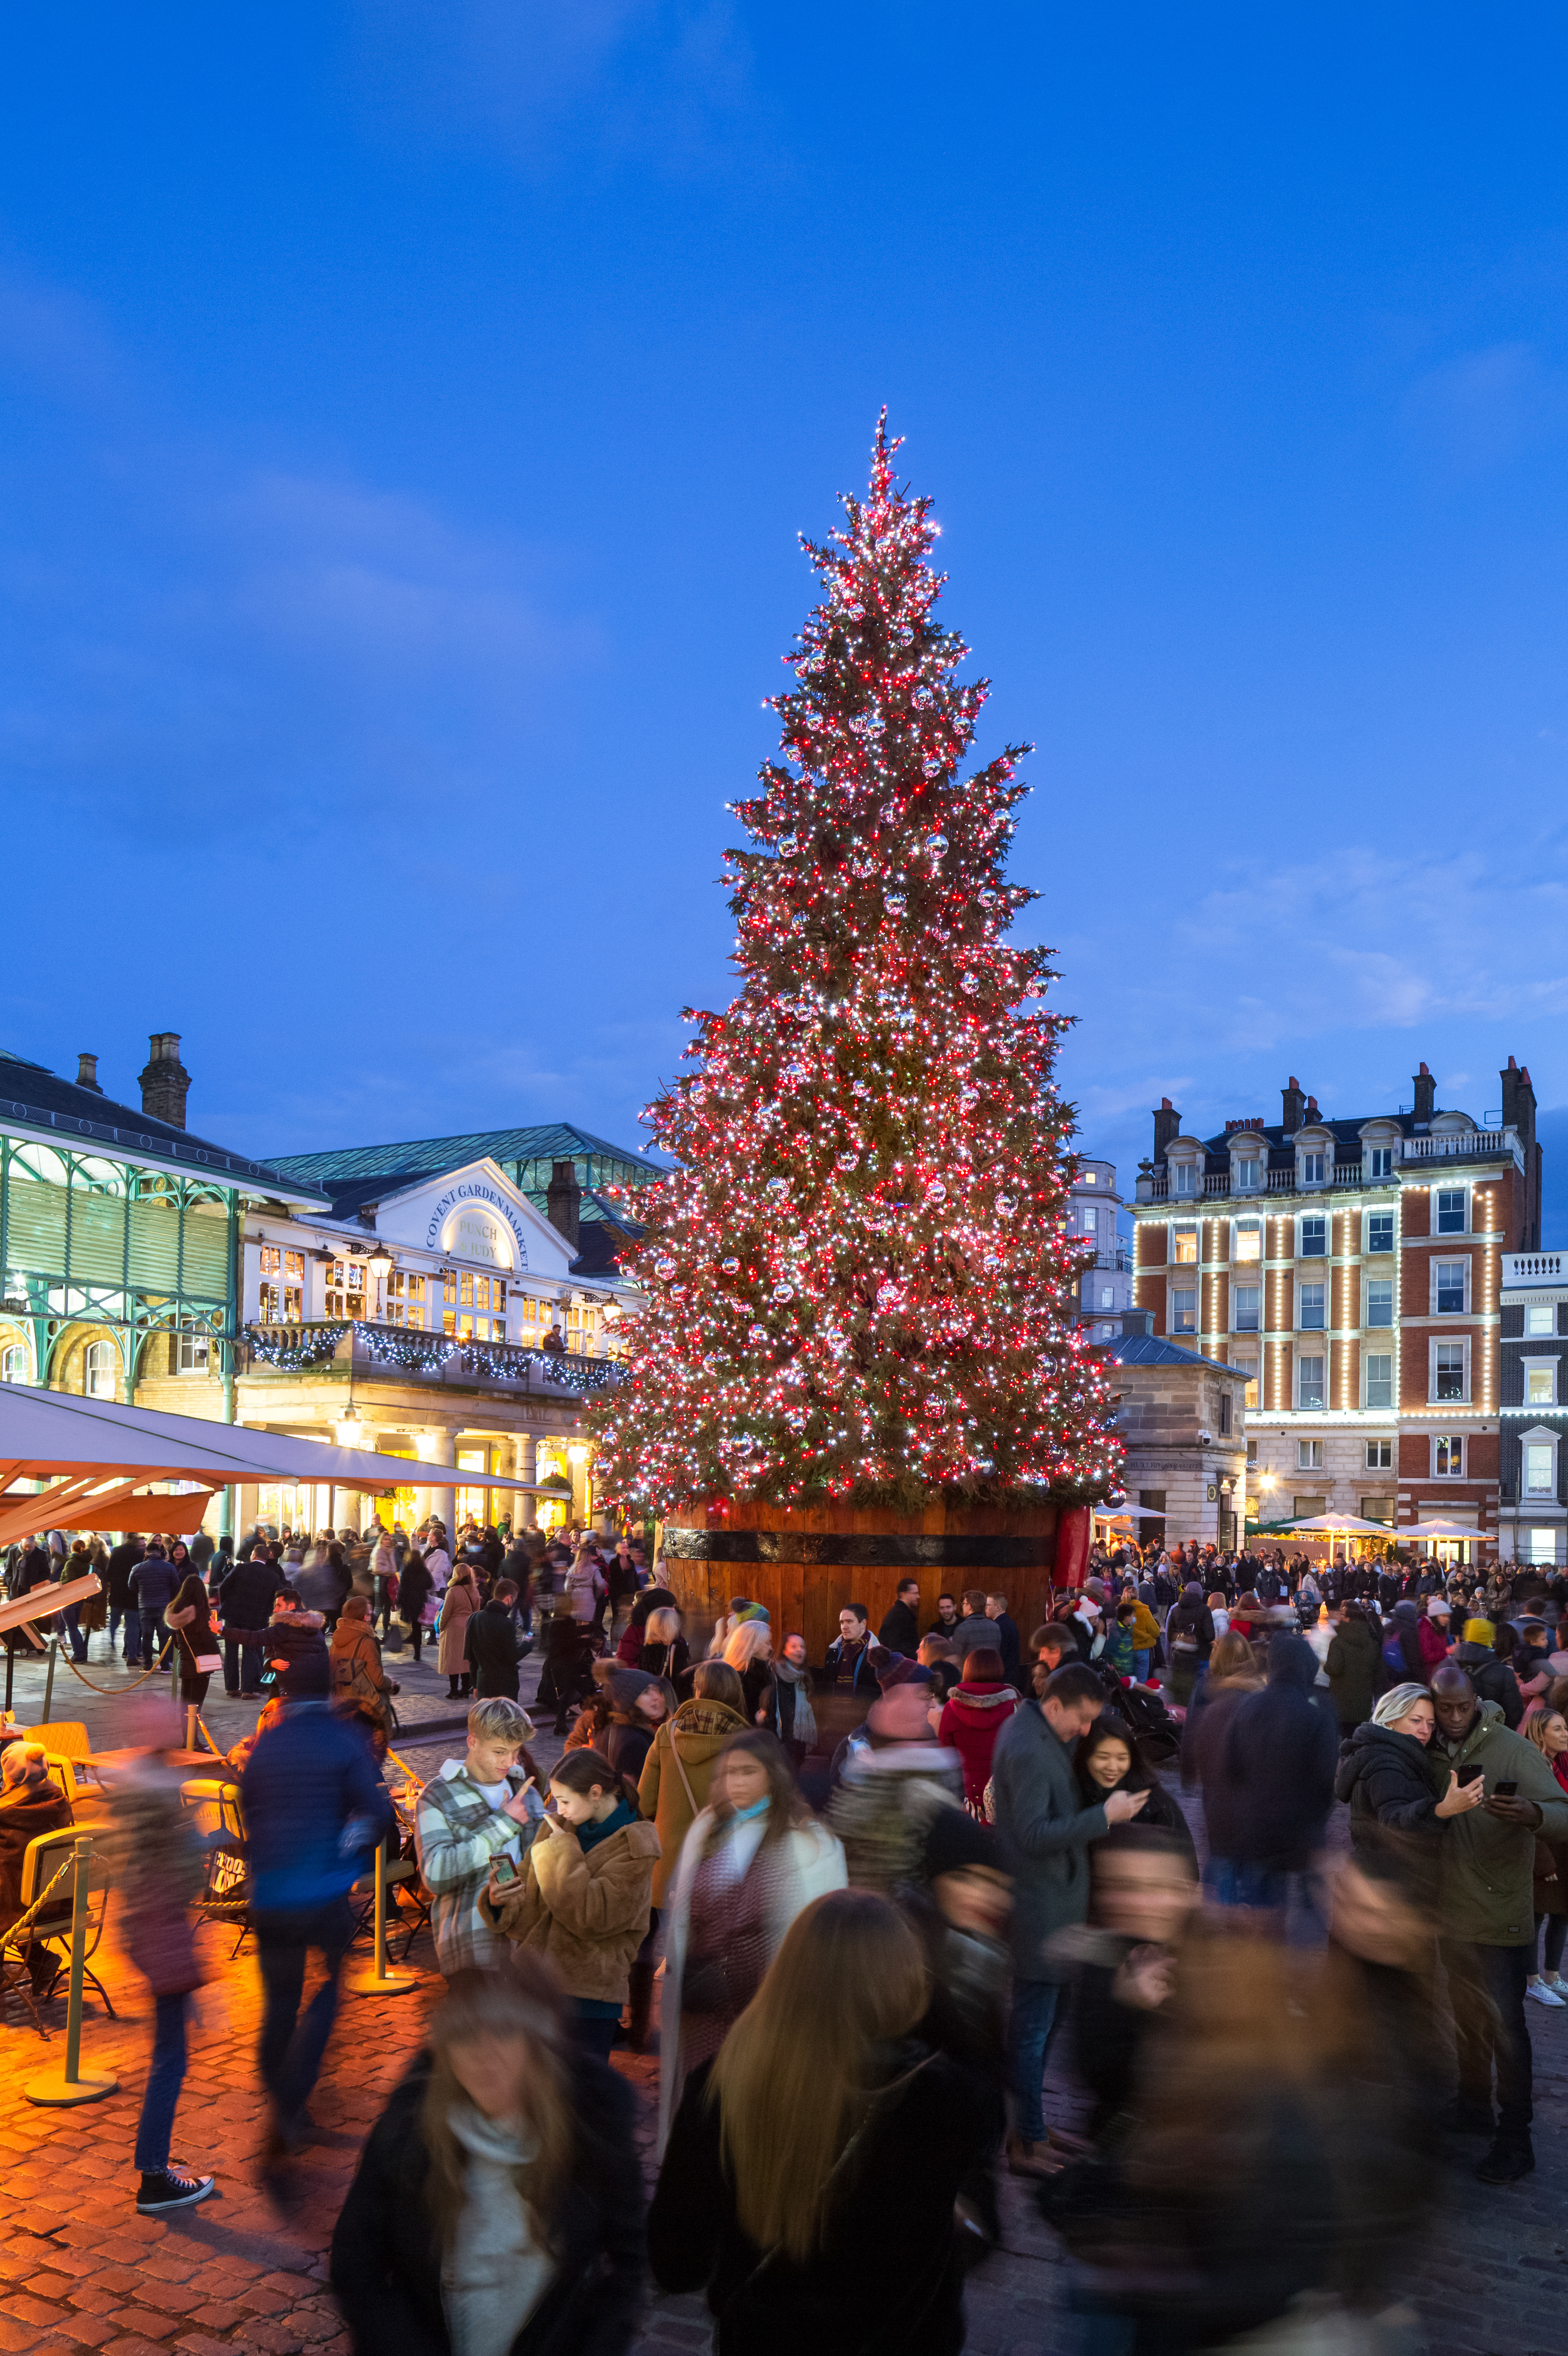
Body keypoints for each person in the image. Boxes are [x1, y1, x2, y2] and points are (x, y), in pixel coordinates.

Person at [649, 1889, 995, 2356]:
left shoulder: (723, 2084)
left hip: (762, 2340)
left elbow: (676, 2263)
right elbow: (970, 2238)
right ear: (906, 1976)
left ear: (788, 1972)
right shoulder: (946, 2099)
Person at [331, 1956, 645, 2356]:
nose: (484, 2053)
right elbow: (356, 2261)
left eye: (503, 2031)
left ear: (535, 2044)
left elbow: (629, 2262)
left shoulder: (593, 2132)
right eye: (464, 2036)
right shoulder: (409, 2131)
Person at [989, 1661, 1148, 2177]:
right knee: (1033, 2032)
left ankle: (1032, 2128)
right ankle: (1025, 2141)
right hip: (1040, 1908)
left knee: (1043, 2025)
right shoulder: (1030, 1747)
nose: (1084, 1731)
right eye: (1080, 1719)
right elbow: (1035, 1834)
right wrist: (1107, 1815)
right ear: (1054, 1704)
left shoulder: (1037, 1728)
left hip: (1054, 1904)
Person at [658, 1729, 846, 2154]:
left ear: (773, 1775)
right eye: (727, 1772)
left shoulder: (809, 1844)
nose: (735, 1782)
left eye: (748, 1771)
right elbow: (684, 1918)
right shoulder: (707, 1829)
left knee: (754, 2123)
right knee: (702, 2116)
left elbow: (816, 1940)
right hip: (701, 2010)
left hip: (764, 2013)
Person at [239, 1654, 394, 2162]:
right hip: (322, 1889)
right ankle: (293, 2090)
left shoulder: (270, 1743)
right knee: (328, 1988)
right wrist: (348, 1849)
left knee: (279, 2000)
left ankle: (279, 2094)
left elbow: (249, 1807)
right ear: (329, 1691)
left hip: (272, 1892)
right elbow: (375, 1812)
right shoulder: (342, 1738)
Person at [1427, 1660, 1568, 2182]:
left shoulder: (1511, 1747)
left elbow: (1563, 1810)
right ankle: (1471, 2106)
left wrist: (1533, 1814)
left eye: (1464, 1706)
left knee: (1507, 2030)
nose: (1457, 1716)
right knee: (1466, 2019)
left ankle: (1515, 2137)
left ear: (1476, 1703)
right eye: (1446, 1708)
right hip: (1451, 1913)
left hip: (1501, 1914)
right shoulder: (1431, 1747)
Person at [481, 1748, 660, 2059]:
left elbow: (593, 1915)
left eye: (565, 1800)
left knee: (579, 2098)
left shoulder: (635, 1846)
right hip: (536, 1985)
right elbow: (527, 1896)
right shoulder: (558, 1827)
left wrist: (562, 1851)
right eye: (556, 1800)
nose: (559, 1810)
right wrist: (500, 1900)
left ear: (595, 1793)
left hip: (589, 1998)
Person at [103, 1737, 214, 2213]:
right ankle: (154, 2176)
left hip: (147, 1939)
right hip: (166, 1945)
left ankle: (155, 2160)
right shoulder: (167, 1824)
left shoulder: (131, 1812)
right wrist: (197, 1832)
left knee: (168, 2055)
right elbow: (189, 1879)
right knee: (170, 2061)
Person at [1194, 1632, 1337, 1920]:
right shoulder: (1316, 1717)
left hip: (1254, 1831)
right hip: (1299, 1835)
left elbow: (1230, 1766)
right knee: (1306, 1915)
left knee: (1261, 1916)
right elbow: (1324, 1784)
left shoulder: (1248, 1707)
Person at [415, 1699, 547, 1977]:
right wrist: (502, 1824)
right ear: (472, 1742)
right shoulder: (438, 1795)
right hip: (471, 1949)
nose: (510, 1761)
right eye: (499, 1751)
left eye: (516, 1751)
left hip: (527, 1949)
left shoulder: (525, 1790)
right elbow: (435, 1875)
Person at [1334, 1682, 1486, 1860]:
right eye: (1416, 1721)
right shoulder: (1385, 1762)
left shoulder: (1393, 1753)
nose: (1425, 1731)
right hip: (1391, 1877)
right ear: (1391, 1719)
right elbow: (1393, 1822)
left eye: (1431, 1724)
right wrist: (1442, 1809)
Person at [638, 1661, 750, 1900]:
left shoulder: (666, 1734)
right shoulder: (746, 1742)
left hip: (669, 1868)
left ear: (697, 1690)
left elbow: (644, 1804)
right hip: (722, 1867)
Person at [1076, 1712, 1197, 1864]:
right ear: (1085, 1757)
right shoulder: (1072, 1795)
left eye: (1122, 1758)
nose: (1113, 1767)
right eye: (1103, 1757)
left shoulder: (1156, 1805)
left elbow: (1186, 1865)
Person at [937, 1645, 1019, 1812]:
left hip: (968, 1800)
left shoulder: (951, 1709)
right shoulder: (1014, 1707)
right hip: (1006, 1796)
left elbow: (945, 1756)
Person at [1523, 1705, 1568, 2006]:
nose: (1565, 1734)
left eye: (1565, 1728)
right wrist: (1542, 1860)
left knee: (1563, 1914)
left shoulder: (1562, 1762)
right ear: (1540, 1733)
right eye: (1557, 1729)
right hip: (1545, 1852)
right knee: (1536, 1916)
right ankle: (1531, 1980)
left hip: (1564, 1849)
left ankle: (1552, 1975)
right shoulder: (1531, 1766)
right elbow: (1526, 1816)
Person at [329, 1596, 399, 1750]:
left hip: (341, 1704)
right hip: (364, 1708)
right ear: (364, 1617)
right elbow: (378, 1681)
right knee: (369, 1754)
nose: (372, 1615)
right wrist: (391, 1684)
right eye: (370, 1612)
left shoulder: (336, 1639)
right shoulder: (366, 1642)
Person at [216, 1543, 280, 1698]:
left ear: (254, 1555)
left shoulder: (240, 1569)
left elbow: (223, 1588)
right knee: (250, 1651)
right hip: (256, 1619)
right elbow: (274, 1599)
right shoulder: (273, 1576)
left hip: (234, 1615)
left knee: (231, 1652)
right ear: (268, 1557)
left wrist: (228, 1604)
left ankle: (232, 1688)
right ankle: (248, 1689)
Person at [1452, 1615, 1525, 1729]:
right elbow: (1514, 1714)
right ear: (1490, 1637)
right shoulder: (1504, 1673)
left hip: (1456, 1731)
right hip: (1491, 1734)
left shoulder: (1447, 1665)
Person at [165, 1573, 220, 1720]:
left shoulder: (175, 1611)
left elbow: (176, 1643)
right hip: (200, 1664)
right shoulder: (201, 1611)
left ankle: (187, 1742)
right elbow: (207, 1638)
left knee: (186, 1706)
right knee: (196, 1707)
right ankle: (193, 1743)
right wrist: (217, 1651)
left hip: (184, 1663)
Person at [1325, 1598, 1381, 1736]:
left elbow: (1334, 1668)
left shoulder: (1338, 1642)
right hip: (1364, 1704)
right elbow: (1378, 1672)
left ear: (1348, 1619)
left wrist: (1326, 1666)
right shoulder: (1372, 1641)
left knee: (1343, 1740)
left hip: (1341, 1704)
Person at [466, 1579, 524, 1700]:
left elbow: (472, 1657)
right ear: (509, 1598)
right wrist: (527, 1645)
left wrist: (475, 1684)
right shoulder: (506, 1623)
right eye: (515, 1599)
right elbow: (512, 1657)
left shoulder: (475, 1618)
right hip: (505, 1685)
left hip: (484, 1683)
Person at [128, 1541, 180, 1669]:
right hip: (163, 1606)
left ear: (146, 1553)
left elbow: (131, 1586)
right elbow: (176, 1585)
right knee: (164, 1636)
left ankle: (147, 1664)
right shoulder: (169, 1567)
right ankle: (164, 1665)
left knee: (147, 1636)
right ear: (160, 1553)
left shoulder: (137, 1568)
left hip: (145, 1606)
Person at [437, 1563, 480, 1701]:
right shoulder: (475, 1591)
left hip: (454, 1628)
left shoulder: (453, 1591)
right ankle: (465, 1690)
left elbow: (446, 1613)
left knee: (453, 1661)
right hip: (469, 1626)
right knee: (466, 1660)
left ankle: (454, 1691)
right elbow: (477, 1612)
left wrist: (441, 1626)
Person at [722, 1618, 775, 1724]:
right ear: (753, 1645)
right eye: (767, 1643)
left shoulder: (762, 1670)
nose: (771, 1648)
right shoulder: (743, 1678)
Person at [397, 1544, 433, 1665]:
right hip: (420, 1601)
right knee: (418, 1627)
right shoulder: (424, 1570)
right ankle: (418, 1652)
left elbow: (403, 1588)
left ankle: (415, 1648)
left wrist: (400, 1601)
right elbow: (430, 1584)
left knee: (414, 1625)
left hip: (409, 1601)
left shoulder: (407, 1570)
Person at [878, 1578, 922, 1654]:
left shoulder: (900, 1613)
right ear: (903, 1594)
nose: (918, 1596)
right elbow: (899, 1646)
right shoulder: (901, 1616)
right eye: (915, 1593)